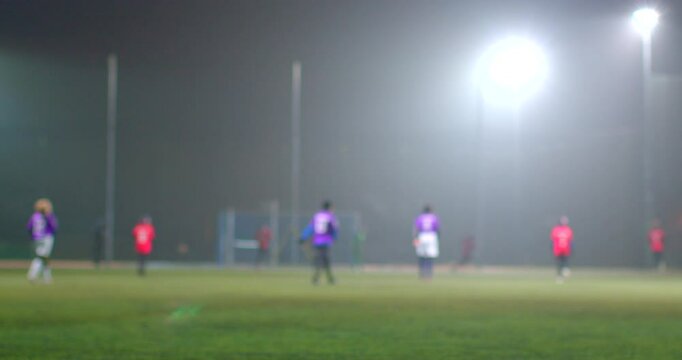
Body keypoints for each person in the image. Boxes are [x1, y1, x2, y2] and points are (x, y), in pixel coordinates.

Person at [300, 200, 338, 285]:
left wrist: (303, 237)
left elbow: (310, 228)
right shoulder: (330, 216)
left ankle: (328, 278)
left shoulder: (317, 216)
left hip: (317, 241)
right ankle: (320, 279)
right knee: (325, 260)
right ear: (330, 207)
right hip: (326, 241)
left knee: (322, 259)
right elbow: (334, 229)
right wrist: (334, 238)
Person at [27, 198, 58, 284]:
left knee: (42, 257)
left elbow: (29, 228)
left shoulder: (34, 216)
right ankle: (32, 275)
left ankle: (46, 277)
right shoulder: (48, 216)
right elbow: (54, 226)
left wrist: (33, 237)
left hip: (36, 239)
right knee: (42, 257)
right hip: (46, 239)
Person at [413, 205, 440, 280]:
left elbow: (416, 228)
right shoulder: (434, 217)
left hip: (422, 235)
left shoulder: (420, 217)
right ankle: (429, 274)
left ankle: (422, 274)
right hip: (431, 236)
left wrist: (415, 238)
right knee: (430, 256)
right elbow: (437, 229)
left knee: (421, 256)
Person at [550, 215, 573, 283]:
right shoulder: (557, 229)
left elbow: (570, 241)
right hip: (558, 249)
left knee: (564, 262)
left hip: (565, 249)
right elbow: (553, 240)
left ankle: (564, 272)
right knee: (559, 263)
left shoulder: (567, 229)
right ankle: (560, 276)